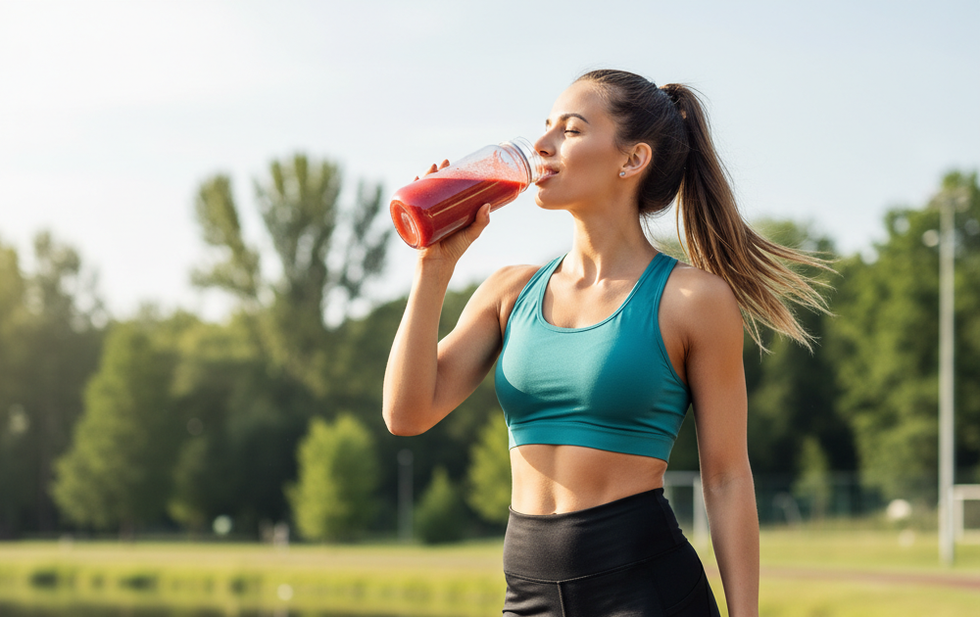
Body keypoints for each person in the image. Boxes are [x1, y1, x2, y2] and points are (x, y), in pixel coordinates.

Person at [383, 69, 829, 617]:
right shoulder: (508, 292)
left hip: (646, 592)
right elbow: (405, 414)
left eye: (570, 130)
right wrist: (433, 266)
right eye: (546, 126)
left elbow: (727, 477)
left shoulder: (692, 299)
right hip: (528, 594)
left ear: (632, 159)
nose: (541, 144)